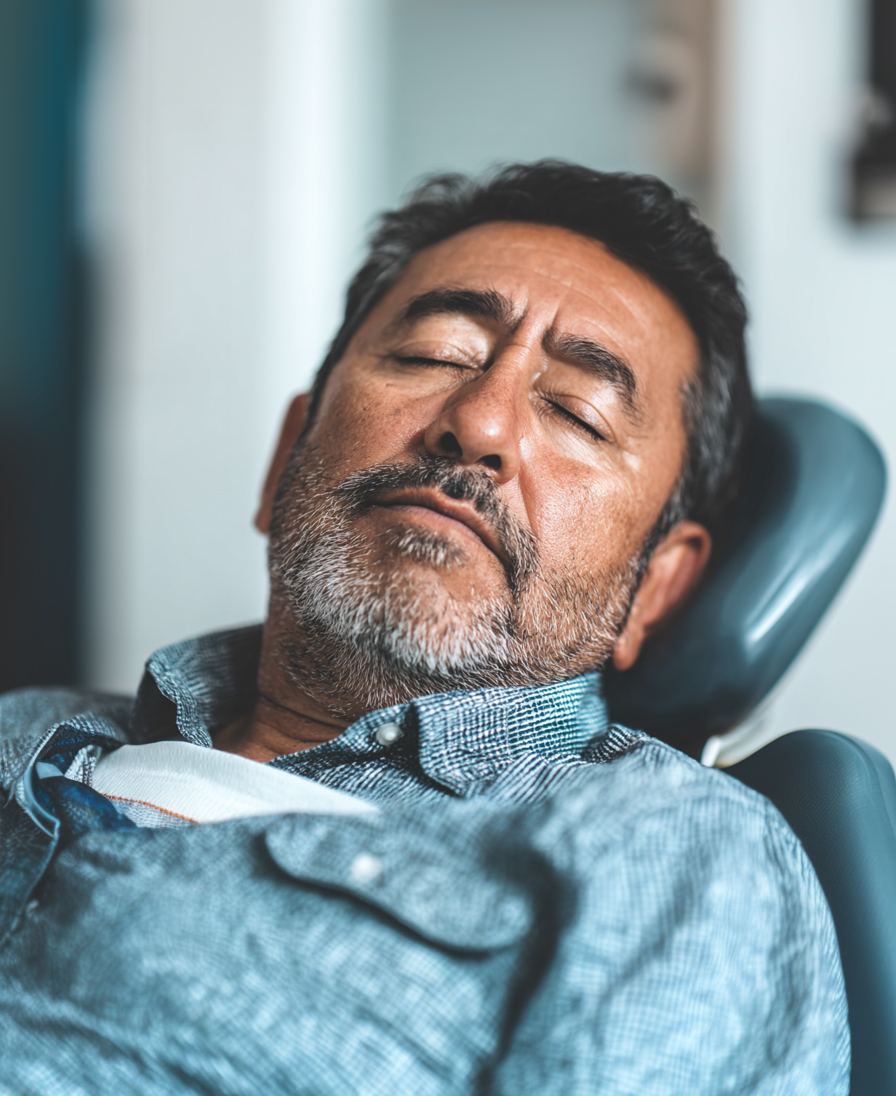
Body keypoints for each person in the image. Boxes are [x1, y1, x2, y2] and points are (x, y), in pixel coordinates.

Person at [0, 162, 848, 1094]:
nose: (480, 423)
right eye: (437, 352)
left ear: (657, 588)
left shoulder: (676, 853)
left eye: (577, 411)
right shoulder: (26, 728)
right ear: (288, 455)